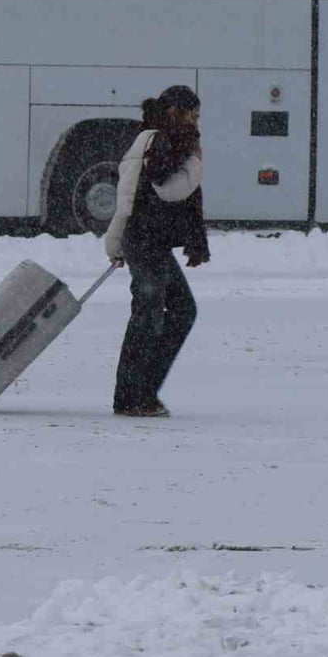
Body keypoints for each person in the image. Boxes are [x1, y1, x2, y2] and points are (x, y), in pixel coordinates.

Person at [103, 85, 210, 418]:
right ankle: (131, 398)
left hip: (152, 241)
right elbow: (167, 190)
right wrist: (196, 162)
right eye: (193, 115)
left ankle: (142, 392)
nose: (196, 122)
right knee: (149, 315)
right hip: (144, 240)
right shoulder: (157, 141)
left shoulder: (168, 140)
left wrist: (196, 241)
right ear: (175, 112)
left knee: (178, 310)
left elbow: (176, 200)